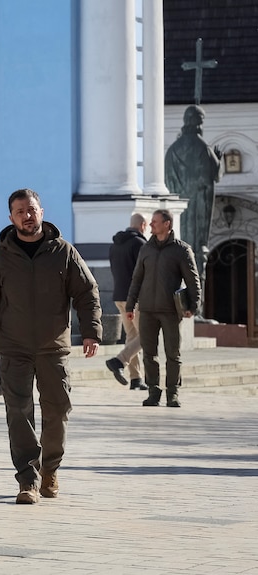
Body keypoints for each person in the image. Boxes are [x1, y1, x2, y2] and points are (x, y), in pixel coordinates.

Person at [0, 188, 101, 505]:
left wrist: (92, 331)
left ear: (42, 211)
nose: (27, 216)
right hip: (13, 349)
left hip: (53, 348)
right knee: (19, 414)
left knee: (57, 410)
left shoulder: (63, 253)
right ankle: (27, 480)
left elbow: (87, 292)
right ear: (11, 217)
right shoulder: (0, 258)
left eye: (31, 209)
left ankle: (51, 470)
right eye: (20, 212)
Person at [125, 209, 201, 408]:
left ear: (167, 224)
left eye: (155, 222)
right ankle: (153, 392)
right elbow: (137, 278)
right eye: (150, 223)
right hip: (147, 309)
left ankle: (173, 394)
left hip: (170, 310)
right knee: (149, 354)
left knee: (172, 354)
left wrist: (194, 305)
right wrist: (131, 304)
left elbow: (192, 280)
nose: (151, 225)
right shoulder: (146, 249)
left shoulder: (181, 250)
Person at [164, 105, 223, 286]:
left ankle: (182, 292)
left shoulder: (173, 149)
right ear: (197, 123)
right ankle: (196, 300)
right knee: (198, 247)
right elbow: (215, 175)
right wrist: (219, 160)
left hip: (178, 204)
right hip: (199, 206)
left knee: (180, 244)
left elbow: (167, 179)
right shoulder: (203, 147)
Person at [105, 213, 149, 391]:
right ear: (143, 225)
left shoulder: (115, 245)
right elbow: (145, 271)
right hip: (135, 298)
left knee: (132, 336)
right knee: (147, 335)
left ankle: (136, 378)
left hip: (119, 296)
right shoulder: (140, 244)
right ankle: (119, 360)